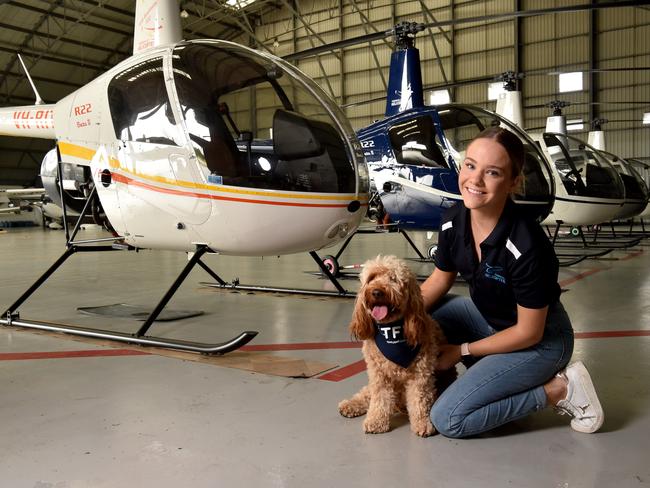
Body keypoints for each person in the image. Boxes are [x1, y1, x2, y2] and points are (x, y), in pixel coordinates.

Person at [421, 126, 604, 438]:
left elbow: (528, 332)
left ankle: (560, 389)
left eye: (492, 172)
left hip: (541, 340)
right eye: (470, 165)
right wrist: (393, 314)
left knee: (449, 418)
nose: (475, 181)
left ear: (513, 182)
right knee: (425, 320)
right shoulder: (454, 220)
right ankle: (488, 379)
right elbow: (439, 279)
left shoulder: (526, 243)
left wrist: (462, 351)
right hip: (491, 320)